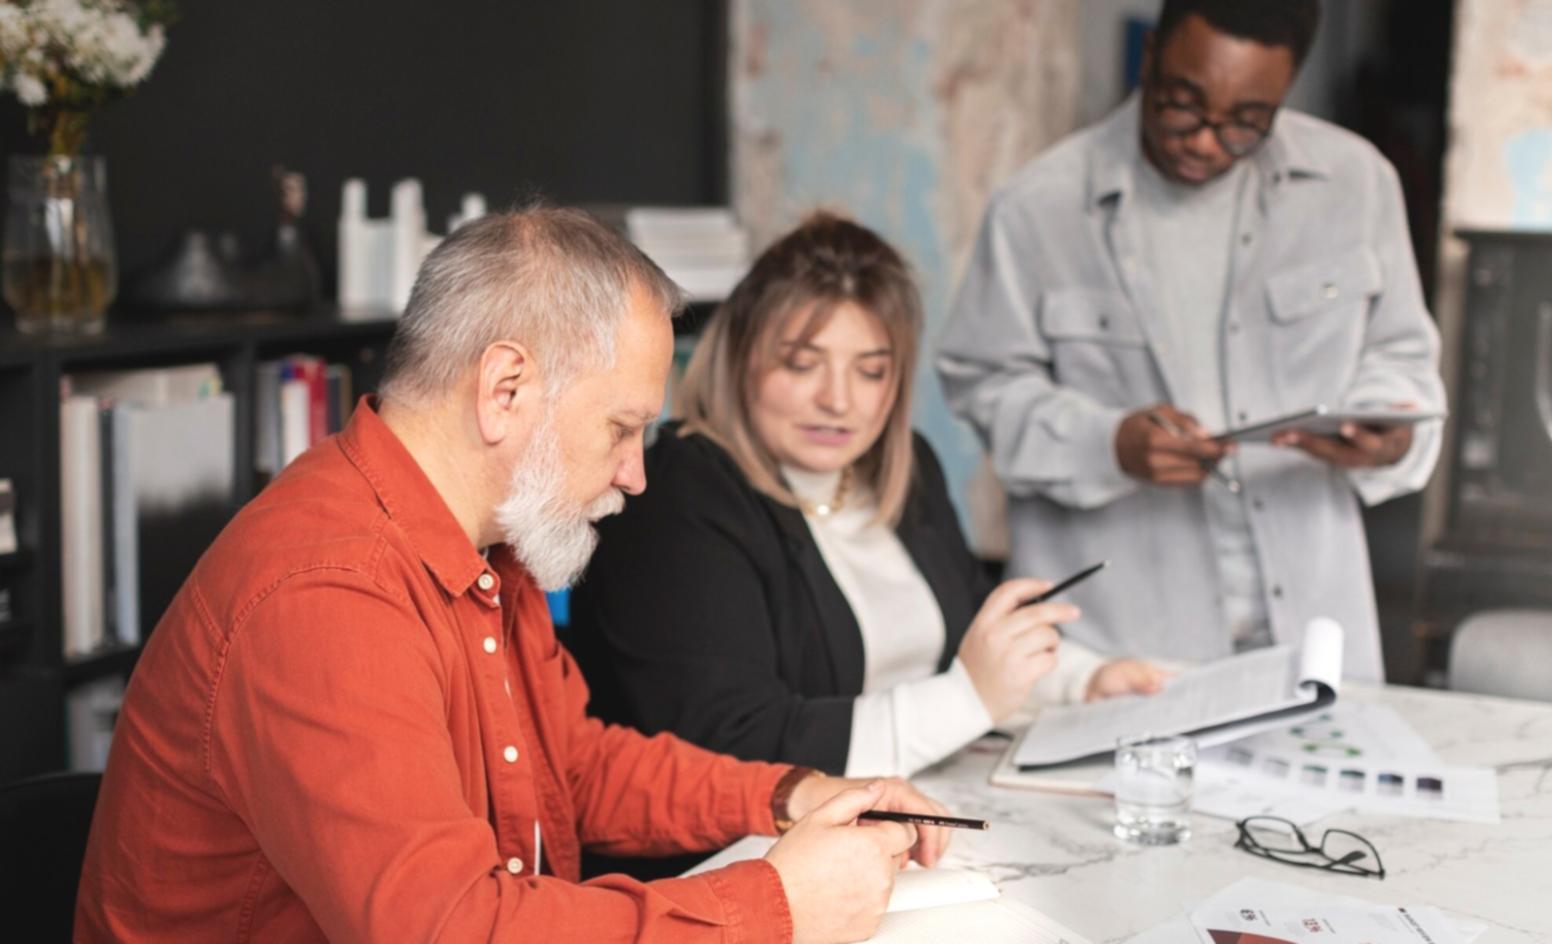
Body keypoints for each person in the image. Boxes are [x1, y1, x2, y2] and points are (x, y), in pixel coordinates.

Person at [75, 207, 956, 944]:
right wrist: (776, 904)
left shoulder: (497, 540)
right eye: (619, 428)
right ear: (504, 389)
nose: (635, 474)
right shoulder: (326, 593)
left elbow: (569, 768)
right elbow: (450, 928)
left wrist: (788, 792)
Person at [937, 0, 1445, 682]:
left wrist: (1389, 428)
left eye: (1245, 122)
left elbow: (1401, 354)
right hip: (1122, 647)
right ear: (1150, 59)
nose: (1206, 141)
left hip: (1314, 630)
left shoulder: (1356, 185)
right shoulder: (1039, 207)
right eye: (1182, 105)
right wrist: (1107, 442)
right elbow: (982, 383)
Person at [571, 213, 1166, 782]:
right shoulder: (680, 492)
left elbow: (972, 643)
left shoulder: (905, 469)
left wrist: (1084, 682)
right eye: (803, 364)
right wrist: (967, 699)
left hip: (913, 803)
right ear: (739, 360)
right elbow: (731, 742)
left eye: (871, 371)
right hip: (735, 856)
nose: (839, 400)